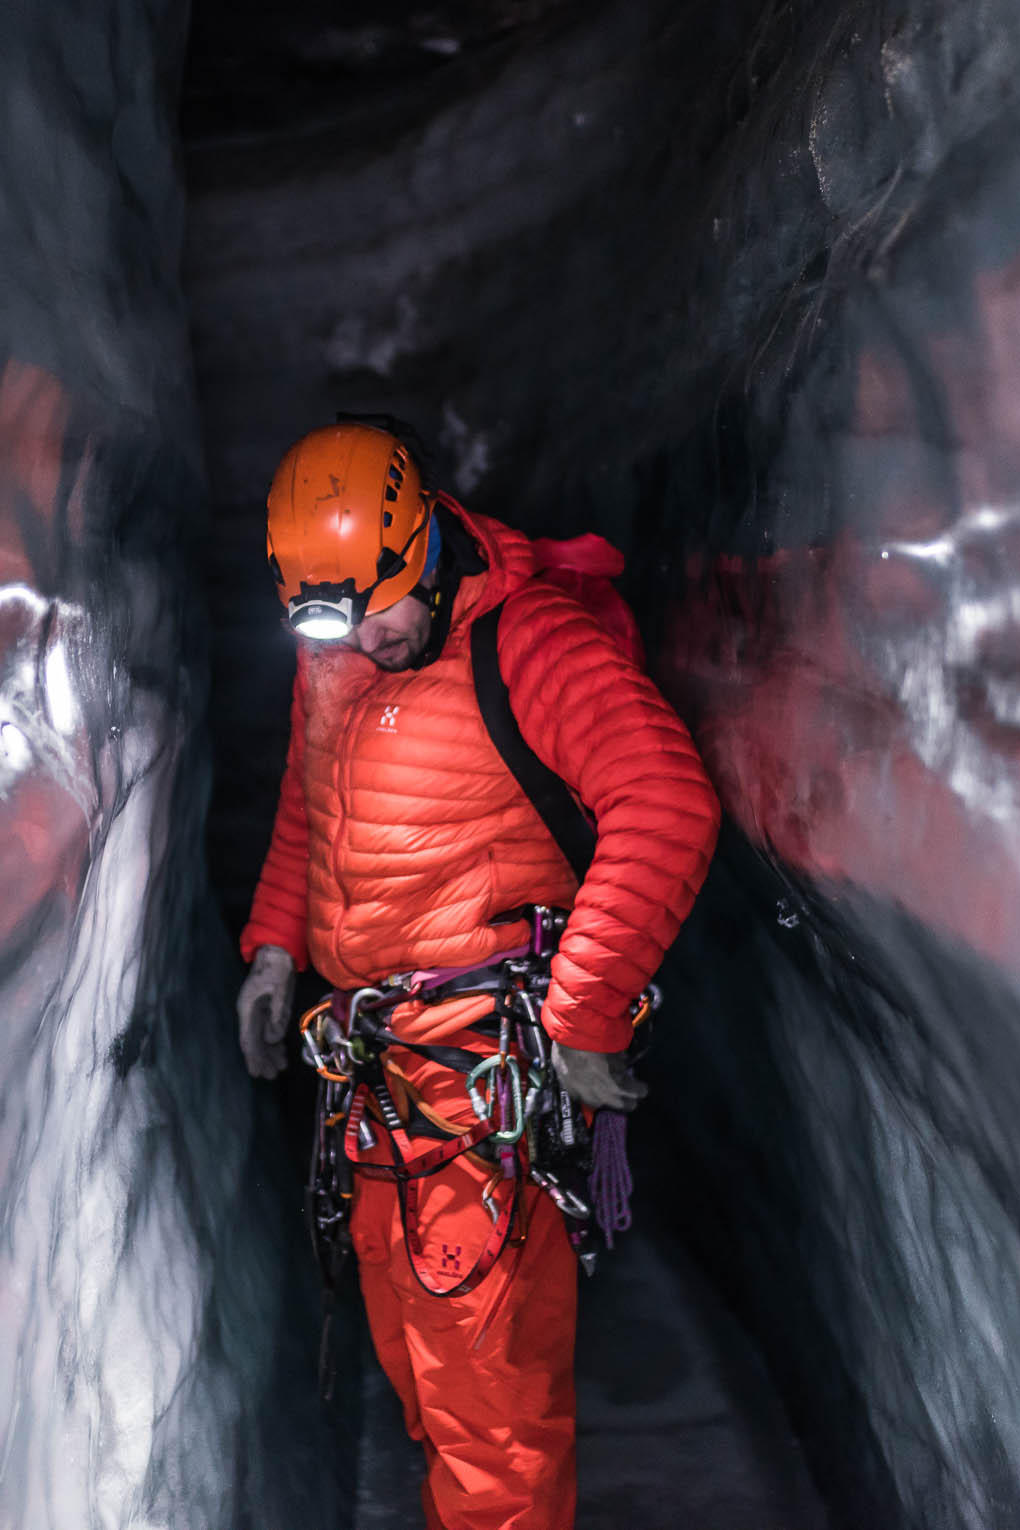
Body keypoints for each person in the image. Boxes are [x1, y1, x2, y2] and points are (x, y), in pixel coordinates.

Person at [234, 420, 720, 1529]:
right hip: (372, 1088)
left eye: (375, 608)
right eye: (327, 618)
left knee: (491, 1427)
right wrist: (275, 947)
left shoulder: (536, 646)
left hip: (477, 1098)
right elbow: (313, 808)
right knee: (423, 1379)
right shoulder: (339, 646)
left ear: (423, 547)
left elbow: (666, 801)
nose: (359, 639)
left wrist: (586, 1009)